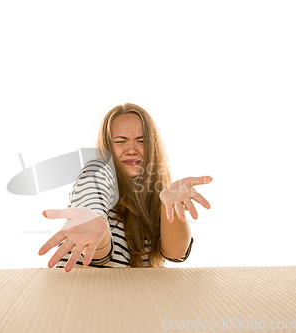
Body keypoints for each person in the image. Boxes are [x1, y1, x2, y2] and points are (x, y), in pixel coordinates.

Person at [38, 103, 212, 272]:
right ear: (108, 146)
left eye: (141, 141)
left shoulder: (159, 197)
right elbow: (99, 255)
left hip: (129, 298)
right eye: (121, 141)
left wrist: (173, 207)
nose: (131, 150)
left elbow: (175, 253)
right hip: (81, 294)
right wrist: (92, 221)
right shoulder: (99, 169)